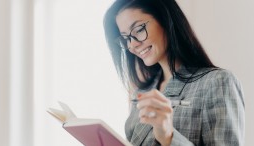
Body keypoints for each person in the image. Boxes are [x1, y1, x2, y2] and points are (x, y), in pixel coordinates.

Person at [103, 0, 245, 145]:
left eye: (139, 30)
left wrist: (168, 136)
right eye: (126, 38)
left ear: (165, 19)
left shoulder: (217, 82)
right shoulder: (142, 92)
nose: (132, 45)